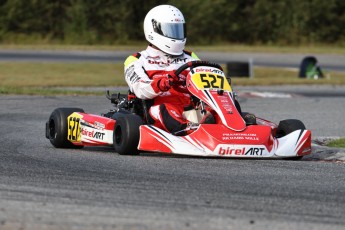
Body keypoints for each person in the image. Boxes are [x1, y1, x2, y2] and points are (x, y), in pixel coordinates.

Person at [124, 4, 214, 136]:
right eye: (171, 30)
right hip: (156, 112)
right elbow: (140, 90)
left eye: (178, 30)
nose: (176, 35)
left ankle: (237, 125)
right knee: (165, 109)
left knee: (221, 105)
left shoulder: (190, 57)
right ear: (153, 29)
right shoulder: (137, 59)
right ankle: (185, 131)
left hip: (190, 111)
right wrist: (162, 83)